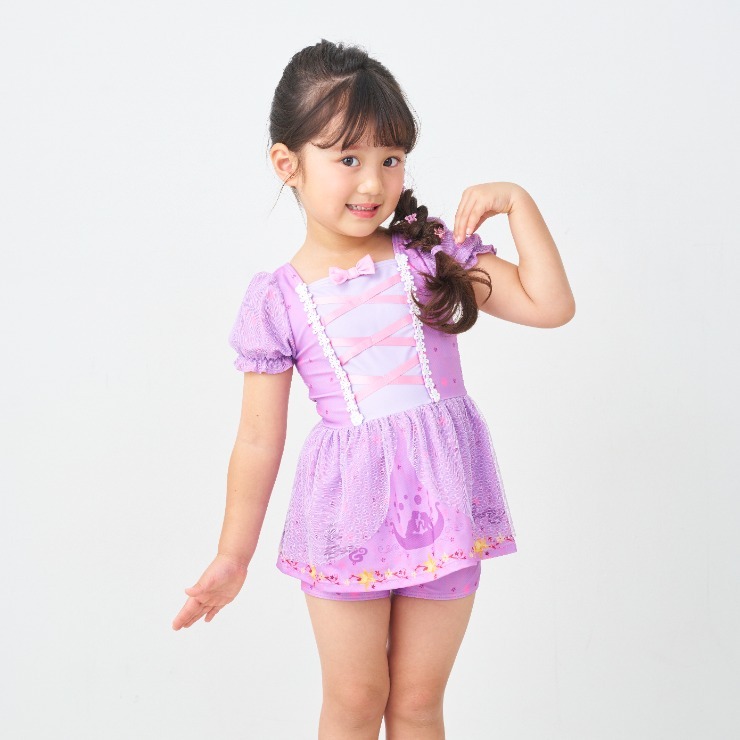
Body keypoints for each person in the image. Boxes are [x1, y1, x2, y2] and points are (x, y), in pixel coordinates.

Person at [172, 38, 575, 738]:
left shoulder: (430, 254)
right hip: (347, 516)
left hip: (444, 505)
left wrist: (519, 204)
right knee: (356, 701)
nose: (373, 183)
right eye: (348, 158)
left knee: (417, 703)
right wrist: (233, 556)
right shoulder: (277, 300)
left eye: (391, 159)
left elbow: (550, 305)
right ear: (287, 164)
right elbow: (259, 439)